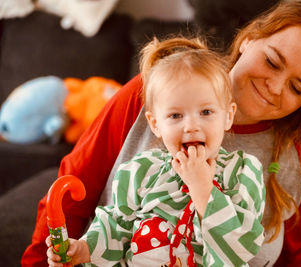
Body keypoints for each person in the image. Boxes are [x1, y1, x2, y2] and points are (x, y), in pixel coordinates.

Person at [23, 1, 301, 266]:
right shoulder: (153, 93)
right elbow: (72, 188)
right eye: (272, 61)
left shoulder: (295, 159)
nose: (275, 87)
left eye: (297, 87)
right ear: (250, 38)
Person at [46, 37, 265, 266]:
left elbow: (241, 247)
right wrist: (83, 248)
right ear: (155, 124)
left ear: (228, 116)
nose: (191, 126)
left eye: (206, 112)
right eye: (176, 116)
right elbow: (116, 226)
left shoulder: (242, 172)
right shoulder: (141, 170)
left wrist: (202, 188)